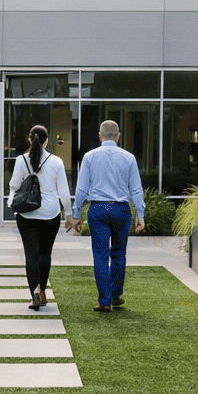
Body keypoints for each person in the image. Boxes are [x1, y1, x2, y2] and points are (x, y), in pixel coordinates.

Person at [71, 119, 145, 313]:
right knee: (119, 254)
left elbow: (81, 189)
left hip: (98, 210)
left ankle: (104, 300)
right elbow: (136, 189)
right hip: (121, 210)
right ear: (118, 136)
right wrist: (140, 213)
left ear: (100, 136)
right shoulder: (129, 158)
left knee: (100, 255)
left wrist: (76, 214)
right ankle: (115, 295)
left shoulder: (89, 157)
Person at [7, 125, 73, 311]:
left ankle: (35, 293)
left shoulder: (21, 160)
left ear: (30, 139)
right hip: (51, 214)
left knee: (31, 254)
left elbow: (14, 185)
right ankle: (42, 290)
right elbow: (64, 191)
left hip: (27, 214)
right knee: (45, 253)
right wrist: (68, 214)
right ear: (47, 140)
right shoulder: (57, 162)